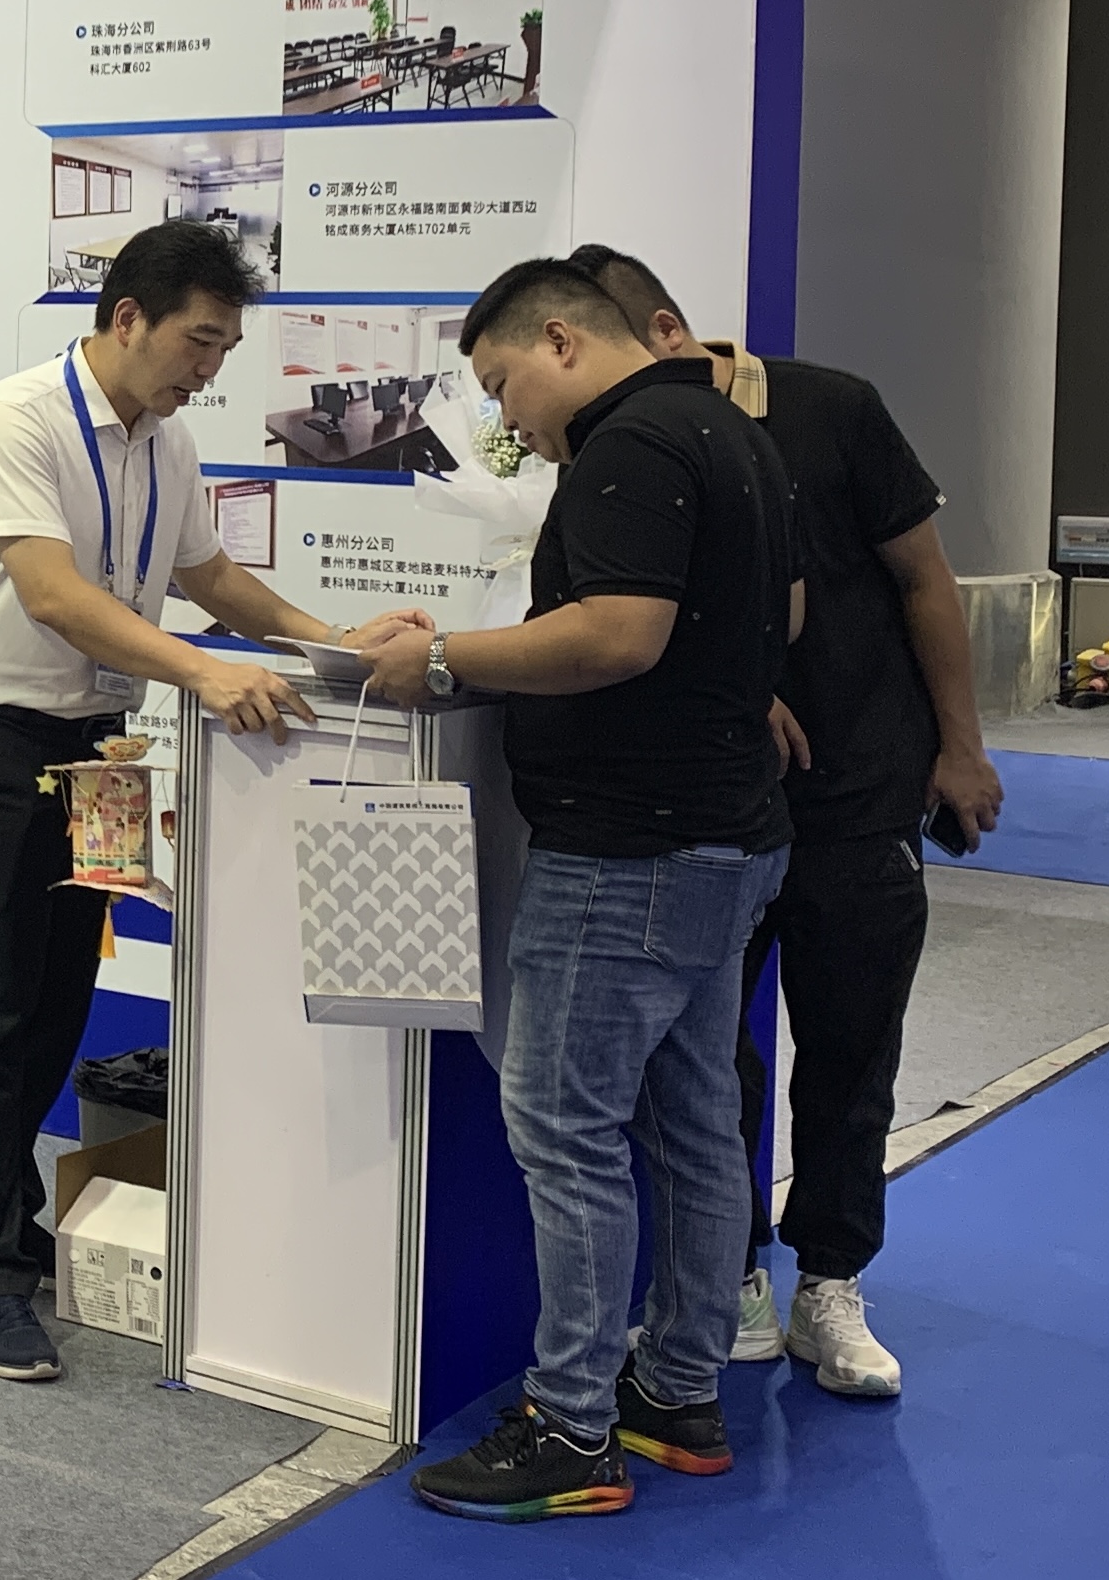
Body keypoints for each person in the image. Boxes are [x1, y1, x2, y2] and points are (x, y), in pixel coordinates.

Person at [346, 257, 800, 1523]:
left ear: (559, 340)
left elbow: (616, 634)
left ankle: (570, 1423)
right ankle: (680, 1393)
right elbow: (775, 617)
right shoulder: (733, 431)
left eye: (503, 386)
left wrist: (443, 660)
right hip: (723, 837)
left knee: (562, 1128)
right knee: (695, 1123)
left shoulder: (628, 445)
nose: (508, 419)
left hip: (625, 856)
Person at [571, 244, 1005, 1399]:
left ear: (667, 334)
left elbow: (924, 578)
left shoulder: (833, 410)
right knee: (706, 1056)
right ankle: (733, 1281)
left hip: (861, 787)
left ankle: (831, 1280)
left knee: (852, 1046)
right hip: (715, 800)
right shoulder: (620, 443)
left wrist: (960, 747)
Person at [0, 219, 338, 1384]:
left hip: (93, 751)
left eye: (225, 348)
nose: (210, 367)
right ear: (127, 318)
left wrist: (331, 645)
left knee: (57, 1006)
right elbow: (52, 595)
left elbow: (210, 575)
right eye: (199, 341)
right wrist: (202, 673)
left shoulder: (168, 439)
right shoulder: (17, 420)